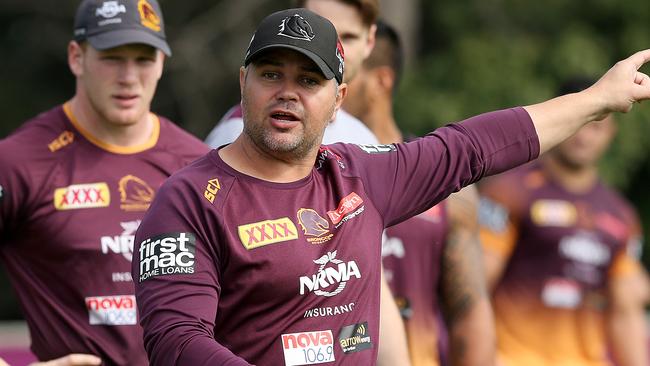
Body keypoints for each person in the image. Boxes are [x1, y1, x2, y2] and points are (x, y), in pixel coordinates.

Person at [132, 7, 650, 365]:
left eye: (309, 81)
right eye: (271, 74)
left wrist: (595, 100)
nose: (288, 92)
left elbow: (471, 147)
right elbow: (175, 341)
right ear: (242, 82)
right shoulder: (186, 200)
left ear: (339, 101)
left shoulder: (361, 175)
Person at [0, 0, 209, 364]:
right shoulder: (19, 161)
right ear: (76, 58)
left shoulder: (197, 163)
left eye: (144, 58)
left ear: (161, 62)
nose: (128, 77)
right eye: (112, 57)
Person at [206, 1, 411, 364]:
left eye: (345, 36)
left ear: (369, 42)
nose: (288, 92)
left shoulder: (364, 143)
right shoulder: (230, 137)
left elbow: (369, 281)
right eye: (271, 74)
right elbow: (183, 331)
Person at [344, 20, 495, 366]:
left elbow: (470, 312)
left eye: (341, 77)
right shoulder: (311, 180)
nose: (323, 87)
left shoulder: (445, 185)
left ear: (380, 80)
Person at [478, 77, 649, 366]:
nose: (584, 137)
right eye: (580, 123)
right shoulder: (508, 192)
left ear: (611, 132)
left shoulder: (622, 215)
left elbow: (626, 312)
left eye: (596, 126)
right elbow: (476, 287)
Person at [204, 0, 379, 147]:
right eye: (316, 31)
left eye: (348, 37)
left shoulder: (364, 139)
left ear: (370, 41)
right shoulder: (234, 137)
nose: (334, 48)